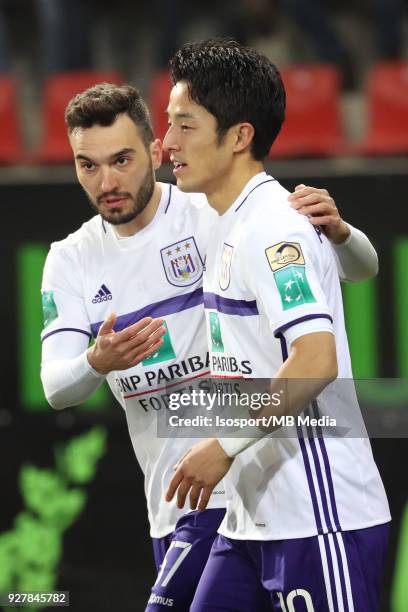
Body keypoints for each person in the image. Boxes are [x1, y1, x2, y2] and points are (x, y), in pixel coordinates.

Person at [40, 83, 380, 611]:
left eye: (122, 160)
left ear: (154, 153)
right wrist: (95, 362)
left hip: (239, 481)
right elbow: (57, 387)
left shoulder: (214, 210)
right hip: (176, 499)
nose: (107, 182)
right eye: (88, 165)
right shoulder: (71, 259)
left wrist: (338, 233)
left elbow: (352, 279)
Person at [163, 39, 390, 611]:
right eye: (169, 125)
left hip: (318, 518)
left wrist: (223, 445)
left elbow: (316, 360)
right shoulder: (225, 216)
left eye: (185, 126)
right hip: (250, 520)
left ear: (239, 136)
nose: (168, 144)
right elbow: (360, 265)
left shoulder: (270, 227)